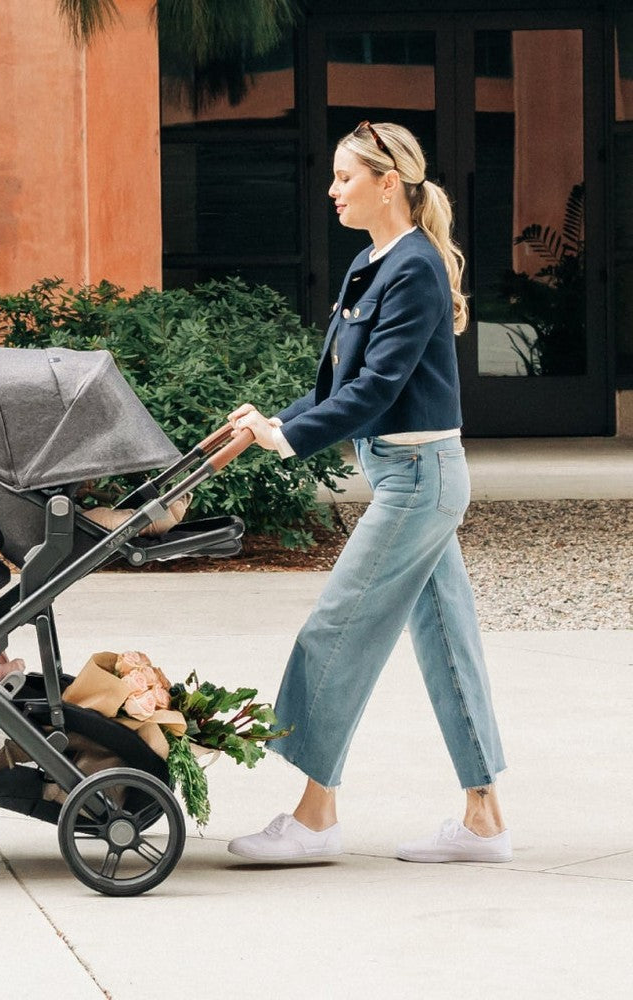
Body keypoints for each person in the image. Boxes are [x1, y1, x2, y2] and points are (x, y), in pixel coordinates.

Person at [226, 121, 510, 865]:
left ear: (389, 183)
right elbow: (345, 385)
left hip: (419, 478)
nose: (332, 190)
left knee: (337, 629)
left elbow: (380, 389)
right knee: (448, 643)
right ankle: (485, 821)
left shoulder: (412, 266)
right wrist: (274, 421)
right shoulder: (374, 263)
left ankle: (314, 819)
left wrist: (285, 439)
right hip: (409, 475)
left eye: (345, 178)